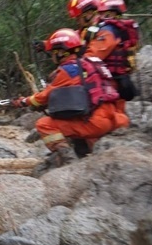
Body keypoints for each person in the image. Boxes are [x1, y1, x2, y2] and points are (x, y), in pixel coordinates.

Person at [11, 28, 129, 167]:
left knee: (44, 124)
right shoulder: (92, 63)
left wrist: (24, 101)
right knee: (75, 119)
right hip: (115, 117)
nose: (52, 56)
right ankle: (85, 154)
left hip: (96, 122)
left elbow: (44, 96)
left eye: (53, 52)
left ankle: (68, 162)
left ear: (61, 52)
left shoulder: (69, 70)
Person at [83, 0, 140, 110]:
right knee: (117, 110)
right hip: (119, 79)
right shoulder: (123, 30)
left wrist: (75, 64)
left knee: (109, 110)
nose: (99, 16)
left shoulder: (108, 32)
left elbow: (92, 55)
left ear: (113, 14)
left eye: (103, 13)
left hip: (111, 81)